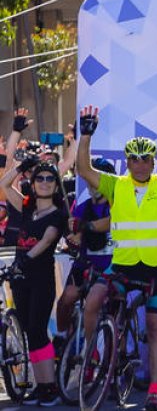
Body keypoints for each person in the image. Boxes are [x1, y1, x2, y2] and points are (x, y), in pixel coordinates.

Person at [74, 97, 157, 411]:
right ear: (127, 161)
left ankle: (154, 390)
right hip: (122, 265)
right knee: (93, 301)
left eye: (145, 159)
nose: (140, 164)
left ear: (152, 160)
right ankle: (98, 356)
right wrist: (87, 135)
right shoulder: (115, 184)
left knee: (155, 328)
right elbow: (83, 168)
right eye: (134, 159)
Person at [1, 158, 68, 406]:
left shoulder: (58, 215)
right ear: (32, 181)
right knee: (30, 331)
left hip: (40, 278)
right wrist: (20, 167)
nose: (45, 182)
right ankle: (41, 387)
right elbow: (4, 185)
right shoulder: (27, 208)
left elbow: (47, 241)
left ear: (56, 185)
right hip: (20, 280)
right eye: (40, 177)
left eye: (51, 179)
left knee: (39, 331)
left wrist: (23, 260)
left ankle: (49, 387)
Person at [55, 158, 113, 353]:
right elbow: (72, 234)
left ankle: (97, 352)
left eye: (97, 179)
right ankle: (62, 336)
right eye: (90, 179)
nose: (92, 184)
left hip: (111, 267)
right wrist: (71, 237)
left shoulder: (118, 206)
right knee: (67, 298)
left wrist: (85, 229)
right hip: (86, 264)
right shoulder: (82, 206)